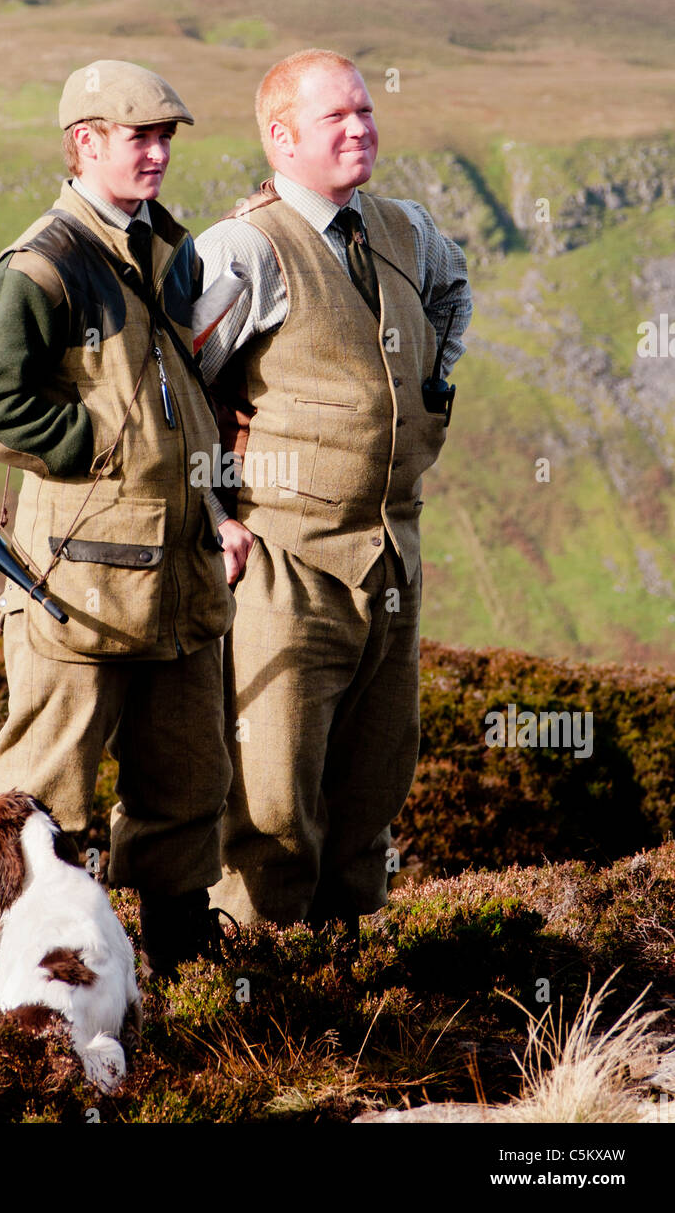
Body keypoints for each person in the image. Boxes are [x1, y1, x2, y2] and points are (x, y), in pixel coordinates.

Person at [0, 59, 236, 979]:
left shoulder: (161, 247)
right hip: (77, 584)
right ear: (85, 142)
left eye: (166, 136)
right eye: (137, 135)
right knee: (42, 795)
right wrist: (106, 444)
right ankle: (19, 980)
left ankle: (183, 979)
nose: (157, 153)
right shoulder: (44, 261)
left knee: (188, 785)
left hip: (180, 581)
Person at [195, 48, 471, 935]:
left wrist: (431, 389)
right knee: (271, 800)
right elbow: (174, 387)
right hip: (284, 559)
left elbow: (453, 292)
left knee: (372, 787)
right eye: (335, 118)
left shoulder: (404, 229)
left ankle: (346, 987)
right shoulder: (242, 247)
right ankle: (249, 999)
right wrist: (211, 515)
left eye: (364, 111)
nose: (360, 128)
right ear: (280, 138)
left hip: (392, 549)